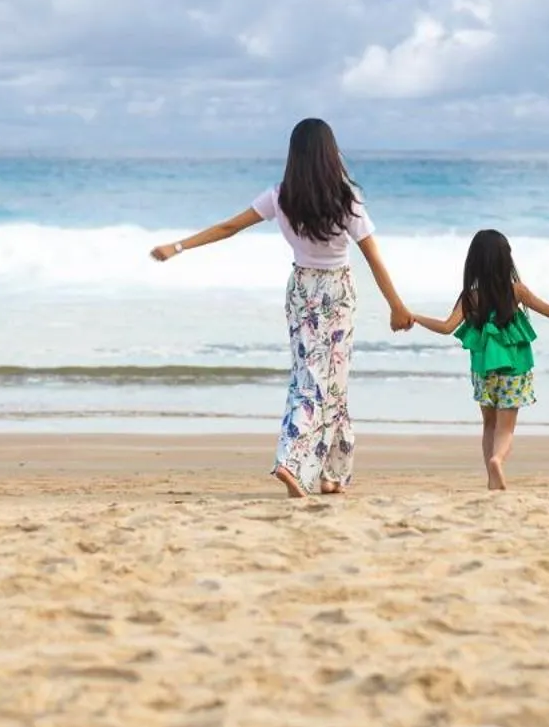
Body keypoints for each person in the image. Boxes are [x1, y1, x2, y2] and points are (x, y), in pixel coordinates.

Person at [151, 118, 413, 498]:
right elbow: (373, 258)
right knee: (329, 381)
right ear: (330, 152)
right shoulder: (346, 199)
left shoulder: (280, 196)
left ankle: (330, 475)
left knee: (310, 379)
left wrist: (177, 247)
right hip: (338, 292)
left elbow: (228, 228)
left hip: (301, 290)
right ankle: (290, 462)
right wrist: (396, 306)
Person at [406, 229, 549, 490]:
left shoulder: (471, 296)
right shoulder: (517, 291)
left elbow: (446, 327)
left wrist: (415, 317)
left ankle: (492, 476)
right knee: (506, 429)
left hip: (484, 372)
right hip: (514, 370)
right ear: (507, 260)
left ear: (474, 263)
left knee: (489, 424)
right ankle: (497, 460)